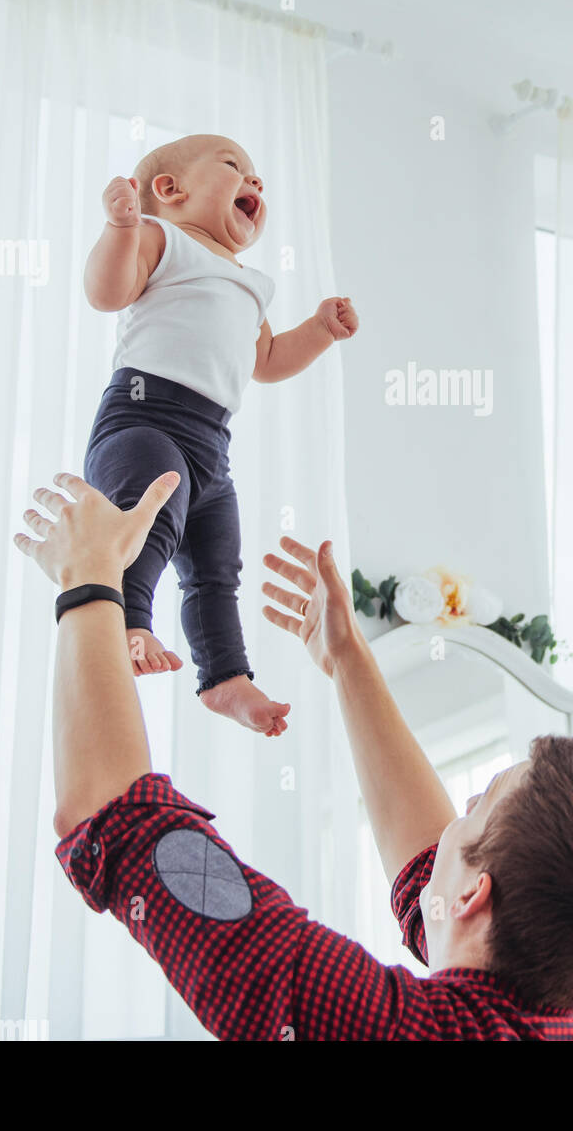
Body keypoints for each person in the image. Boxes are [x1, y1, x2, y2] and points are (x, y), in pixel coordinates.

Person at [14, 471, 573, 1040]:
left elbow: (111, 818)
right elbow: (437, 885)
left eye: (476, 806)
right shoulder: (571, 1014)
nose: (457, 813)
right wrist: (346, 658)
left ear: (477, 893)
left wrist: (90, 578)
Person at [82, 133, 357, 735]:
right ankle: (130, 620)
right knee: (151, 519)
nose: (254, 182)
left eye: (259, 177)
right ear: (170, 191)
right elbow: (107, 294)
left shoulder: (251, 283)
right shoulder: (163, 239)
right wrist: (120, 228)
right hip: (143, 418)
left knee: (216, 567)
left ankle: (225, 678)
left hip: (212, 444)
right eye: (235, 168)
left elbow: (270, 361)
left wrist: (318, 329)